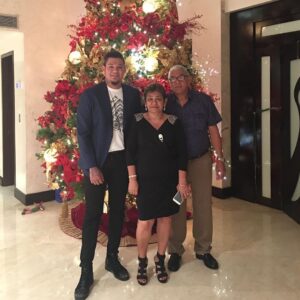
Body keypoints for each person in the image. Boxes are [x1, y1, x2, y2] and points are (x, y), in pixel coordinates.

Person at [75, 50, 141, 300]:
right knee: (92, 216)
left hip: (122, 163)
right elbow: (83, 132)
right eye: (111, 67)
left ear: (124, 70)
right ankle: (86, 271)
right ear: (103, 70)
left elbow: (137, 130)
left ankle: (112, 258)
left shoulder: (134, 95)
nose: (115, 71)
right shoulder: (90, 96)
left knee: (117, 212)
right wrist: (91, 166)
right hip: (98, 163)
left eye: (119, 67)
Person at [126, 83, 189, 285]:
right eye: (150, 99)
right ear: (145, 101)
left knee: (165, 219)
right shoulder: (136, 122)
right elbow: (130, 153)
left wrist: (181, 182)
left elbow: (181, 155)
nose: (154, 103)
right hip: (145, 182)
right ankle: (143, 262)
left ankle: (160, 259)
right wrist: (132, 179)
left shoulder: (173, 122)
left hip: (168, 182)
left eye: (158, 99)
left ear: (165, 102)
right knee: (145, 221)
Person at [166, 65, 226, 271]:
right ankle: (175, 250)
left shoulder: (202, 101)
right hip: (174, 164)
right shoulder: (165, 102)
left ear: (189, 79)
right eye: (172, 79)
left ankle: (203, 249)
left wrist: (219, 158)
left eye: (181, 77)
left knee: (203, 204)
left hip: (200, 159)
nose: (177, 82)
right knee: (176, 204)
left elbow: (213, 131)